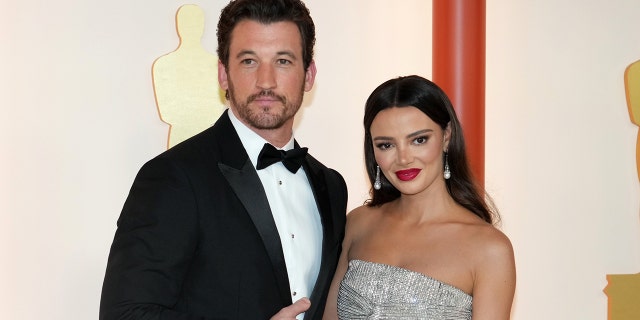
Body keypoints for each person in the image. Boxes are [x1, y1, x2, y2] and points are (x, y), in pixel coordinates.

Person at [99, 0, 348, 319]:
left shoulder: (331, 186)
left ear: (309, 75)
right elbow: (125, 314)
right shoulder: (173, 177)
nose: (266, 81)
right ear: (223, 74)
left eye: (283, 61)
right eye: (249, 61)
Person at [323, 75, 516, 319]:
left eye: (419, 140)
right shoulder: (358, 223)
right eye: (386, 145)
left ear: (446, 136)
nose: (403, 158)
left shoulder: (490, 249)